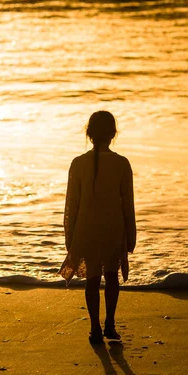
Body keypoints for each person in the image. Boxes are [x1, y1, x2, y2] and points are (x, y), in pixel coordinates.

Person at [59, 110, 136, 344]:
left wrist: (70, 236)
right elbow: (128, 204)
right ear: (113, 134)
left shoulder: (78, 163)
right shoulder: (122, 163)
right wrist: (130, 235)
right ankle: (110, 325)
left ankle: (94, 328)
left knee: (92, 278)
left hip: (86, 228)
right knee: (111, 275)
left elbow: (71, 204)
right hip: (113, 228)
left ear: (89, 134)